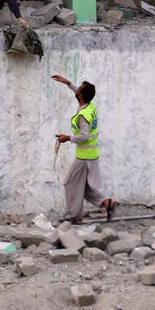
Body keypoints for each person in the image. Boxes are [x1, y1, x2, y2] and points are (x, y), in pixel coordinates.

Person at [52, 74, 117, 223]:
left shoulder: (83, 116)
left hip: (84, 157)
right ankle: (108, 203)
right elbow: (80, 93)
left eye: (78, 89)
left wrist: (67, 138)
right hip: (91, 155)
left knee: (70, 183)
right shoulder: (90, 106)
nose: (77, 90)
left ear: (80, 96)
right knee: (84, 187)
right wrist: (68, 83)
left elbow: (85, 136)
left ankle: (75, 216)